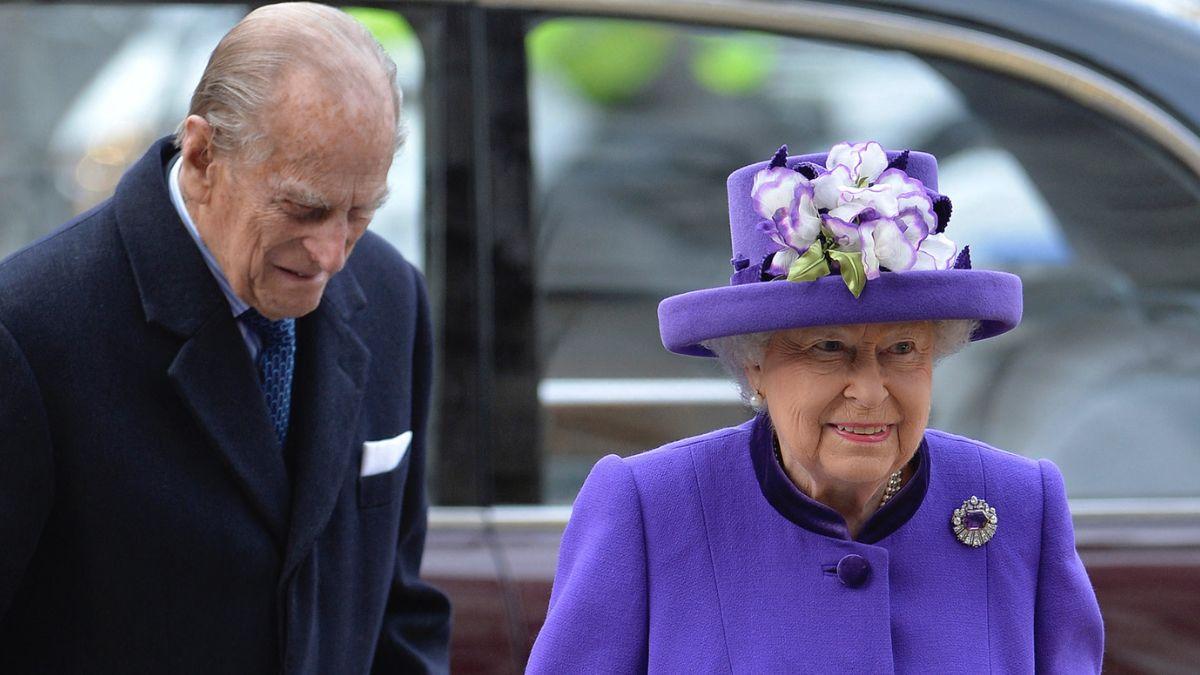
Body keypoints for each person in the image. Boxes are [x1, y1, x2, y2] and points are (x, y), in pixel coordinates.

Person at [528, 142, 1104, 672]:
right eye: (829, 349)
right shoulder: (652, 509)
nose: (871, 391)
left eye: (903, 350)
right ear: (754, 364)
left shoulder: (1021, 505)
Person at [0, 4, 450, 672]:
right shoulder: (30, 329)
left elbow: (398, 612)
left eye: (361, 212)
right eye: (305, 209)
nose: (332, 254)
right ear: (204, 154)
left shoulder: (391, 296)